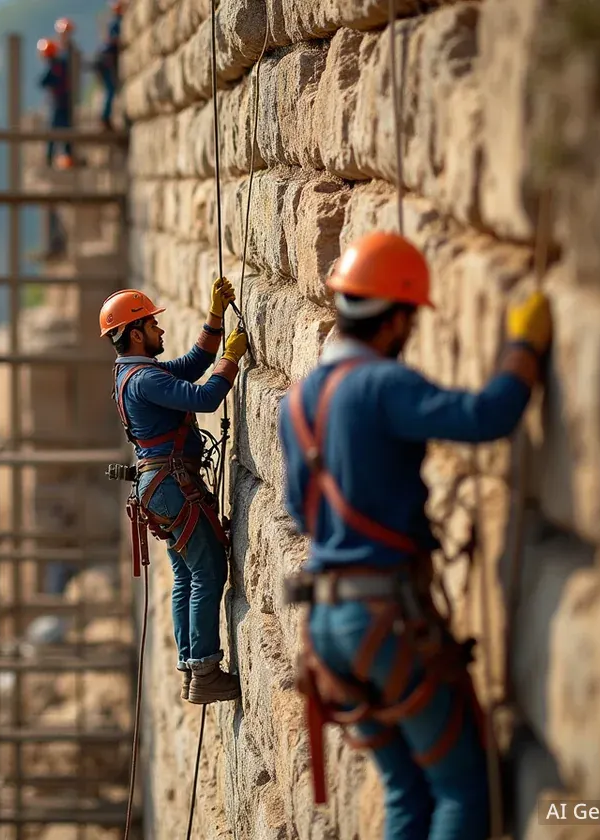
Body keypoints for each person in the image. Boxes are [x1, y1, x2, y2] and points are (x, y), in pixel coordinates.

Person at [277, 231, 553, 840]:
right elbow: (488, 417)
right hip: (384, 618)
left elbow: (303, 512)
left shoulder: (298, 400)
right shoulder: (383, 385)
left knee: (406, 791)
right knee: (461, 787)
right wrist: (521, 350)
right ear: (396, 317)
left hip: (328, 627)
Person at [101, 281, 248, 704]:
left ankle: (190, 666)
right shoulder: (145, 377)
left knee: (186, 574)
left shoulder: (132, 373)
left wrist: (215, 319)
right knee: (207, 571)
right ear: (135, 333)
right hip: (170, 483)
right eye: (153, 324)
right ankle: (204, 671)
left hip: (159, 486)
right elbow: (203, 396)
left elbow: (189, 364)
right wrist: (231, 362)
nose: (161, 331)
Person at [37, 37, 73, 167]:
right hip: (64, 102)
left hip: (59, 103)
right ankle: (67, 156)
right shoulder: (61, 63)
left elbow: (42, 82)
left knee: (54, 130)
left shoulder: (55, 66)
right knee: (66, 130)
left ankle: (51, 158)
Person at [95, 2, 124, 130]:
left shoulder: (114, 22)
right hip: (107, 60)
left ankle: (105, 117)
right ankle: (105, 118)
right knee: (110, 89)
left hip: (105, 59)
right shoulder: (117, 23)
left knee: (109, 89)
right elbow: (114, 40)